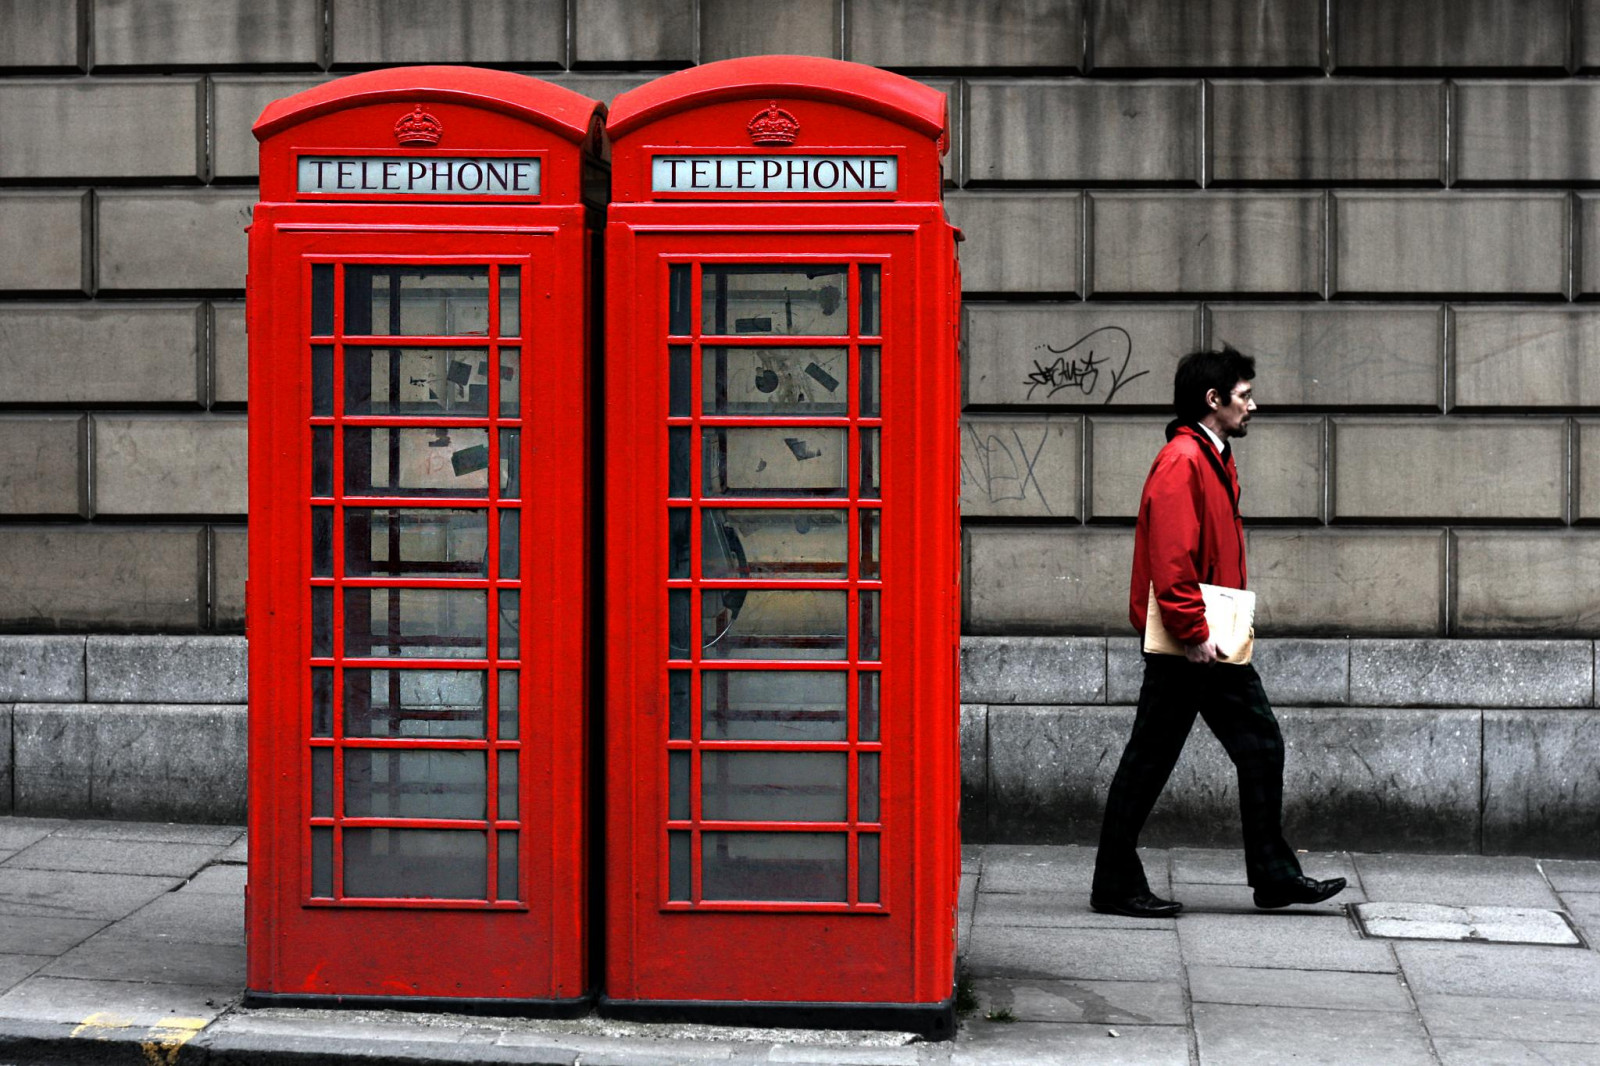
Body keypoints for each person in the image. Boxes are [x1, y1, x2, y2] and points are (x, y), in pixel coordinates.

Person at [1090, 346, 1346, 919]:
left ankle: (1271, 874)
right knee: (1169, 758)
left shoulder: (1211, 455)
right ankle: (1121, 882)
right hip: (1197, 643)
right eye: (1244, 395)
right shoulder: (1183, 459)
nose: (1252, 405)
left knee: (1236, 749)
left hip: (1209, 636)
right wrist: (1192, 630)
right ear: (1214, 401)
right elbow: (1171, 556)